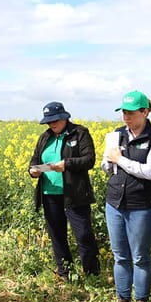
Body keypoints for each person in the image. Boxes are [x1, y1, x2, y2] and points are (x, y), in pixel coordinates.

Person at [101, 90, 151, 302]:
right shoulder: (116, 135)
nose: (126, 117)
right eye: (124, 113)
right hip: (115, 203)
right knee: (120, 257)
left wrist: (120, 160)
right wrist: (108, 162)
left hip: (142, 206)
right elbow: (105, 165)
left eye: (131, 113)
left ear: (145, 112)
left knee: (140, 258)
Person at [28, 101, 100, 280]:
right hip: (50, 194)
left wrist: (66, 164)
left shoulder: (79, 133)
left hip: (74, 194)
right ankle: (65, 273)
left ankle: (92, 274)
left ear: (64, 117)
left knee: (83, 234)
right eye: (48, 122)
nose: (52, 124)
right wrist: (33, 171)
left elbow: (89, 160)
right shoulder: (45, 137)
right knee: (57, 235)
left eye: (55, 120)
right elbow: (34, 160)